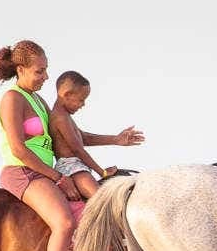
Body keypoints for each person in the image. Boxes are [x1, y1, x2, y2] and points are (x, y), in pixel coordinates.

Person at [0, 40, 76, 251]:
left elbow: (70, 134)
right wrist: (59, 178)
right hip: (22, 172)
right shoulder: (12, 99)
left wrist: (116, 139)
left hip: (43, 172)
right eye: (39, 71)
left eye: (46, 69)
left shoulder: (38, 99)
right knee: (64, 223)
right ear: (21, 69)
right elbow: (19, 149)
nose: (46, 76)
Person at [48, 70, 145, 200]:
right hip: (71, 167)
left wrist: (116, 139)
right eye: (81, 100)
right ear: (67, 94)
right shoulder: (60, 118)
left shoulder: (65, 117)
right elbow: (78, 150)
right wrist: (102, 172)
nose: (83, 104)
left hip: (78, 166)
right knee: (101, 201)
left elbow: (85, 138)